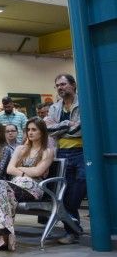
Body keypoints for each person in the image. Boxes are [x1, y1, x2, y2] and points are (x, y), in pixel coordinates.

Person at [0, 118, 54, 251]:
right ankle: (4, 229)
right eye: (28, 129)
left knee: (2, 192)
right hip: (16, 186)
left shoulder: (47, 151)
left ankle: (2, 236)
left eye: (34, 129)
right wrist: (28, 172)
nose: (30, 132)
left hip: (34, 188)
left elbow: (38, 172)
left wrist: (20, 170)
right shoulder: (20, 149)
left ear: (42, 132)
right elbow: (9, 169)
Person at [45, 73, 84, 245]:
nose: (60, 88)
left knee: (78, 192)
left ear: (73, 85)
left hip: (82, 153)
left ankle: (75, 227)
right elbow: (49, 131)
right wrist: (67, 124)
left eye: (63, 84)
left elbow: (79, 129)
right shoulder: (54, 108)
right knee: (65, 194)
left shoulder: (83, 103)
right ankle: (72, 232)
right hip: (62, 154)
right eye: (58, 85)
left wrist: (59, 128)